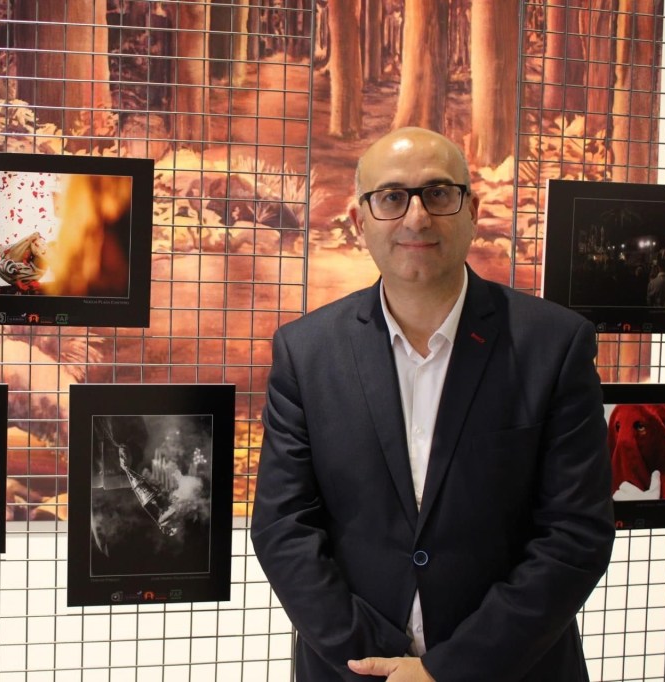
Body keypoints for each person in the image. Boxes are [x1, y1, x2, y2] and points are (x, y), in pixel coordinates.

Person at [250, 127, 615, 681]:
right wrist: (380, 665)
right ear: (360, 220)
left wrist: (448, 671)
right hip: (355, 669)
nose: (416, 218)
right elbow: (283, 528)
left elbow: (575, 534)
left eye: (438, 193)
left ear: (473, 210)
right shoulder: (306, 353)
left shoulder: (554, 345)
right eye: (391, 197)